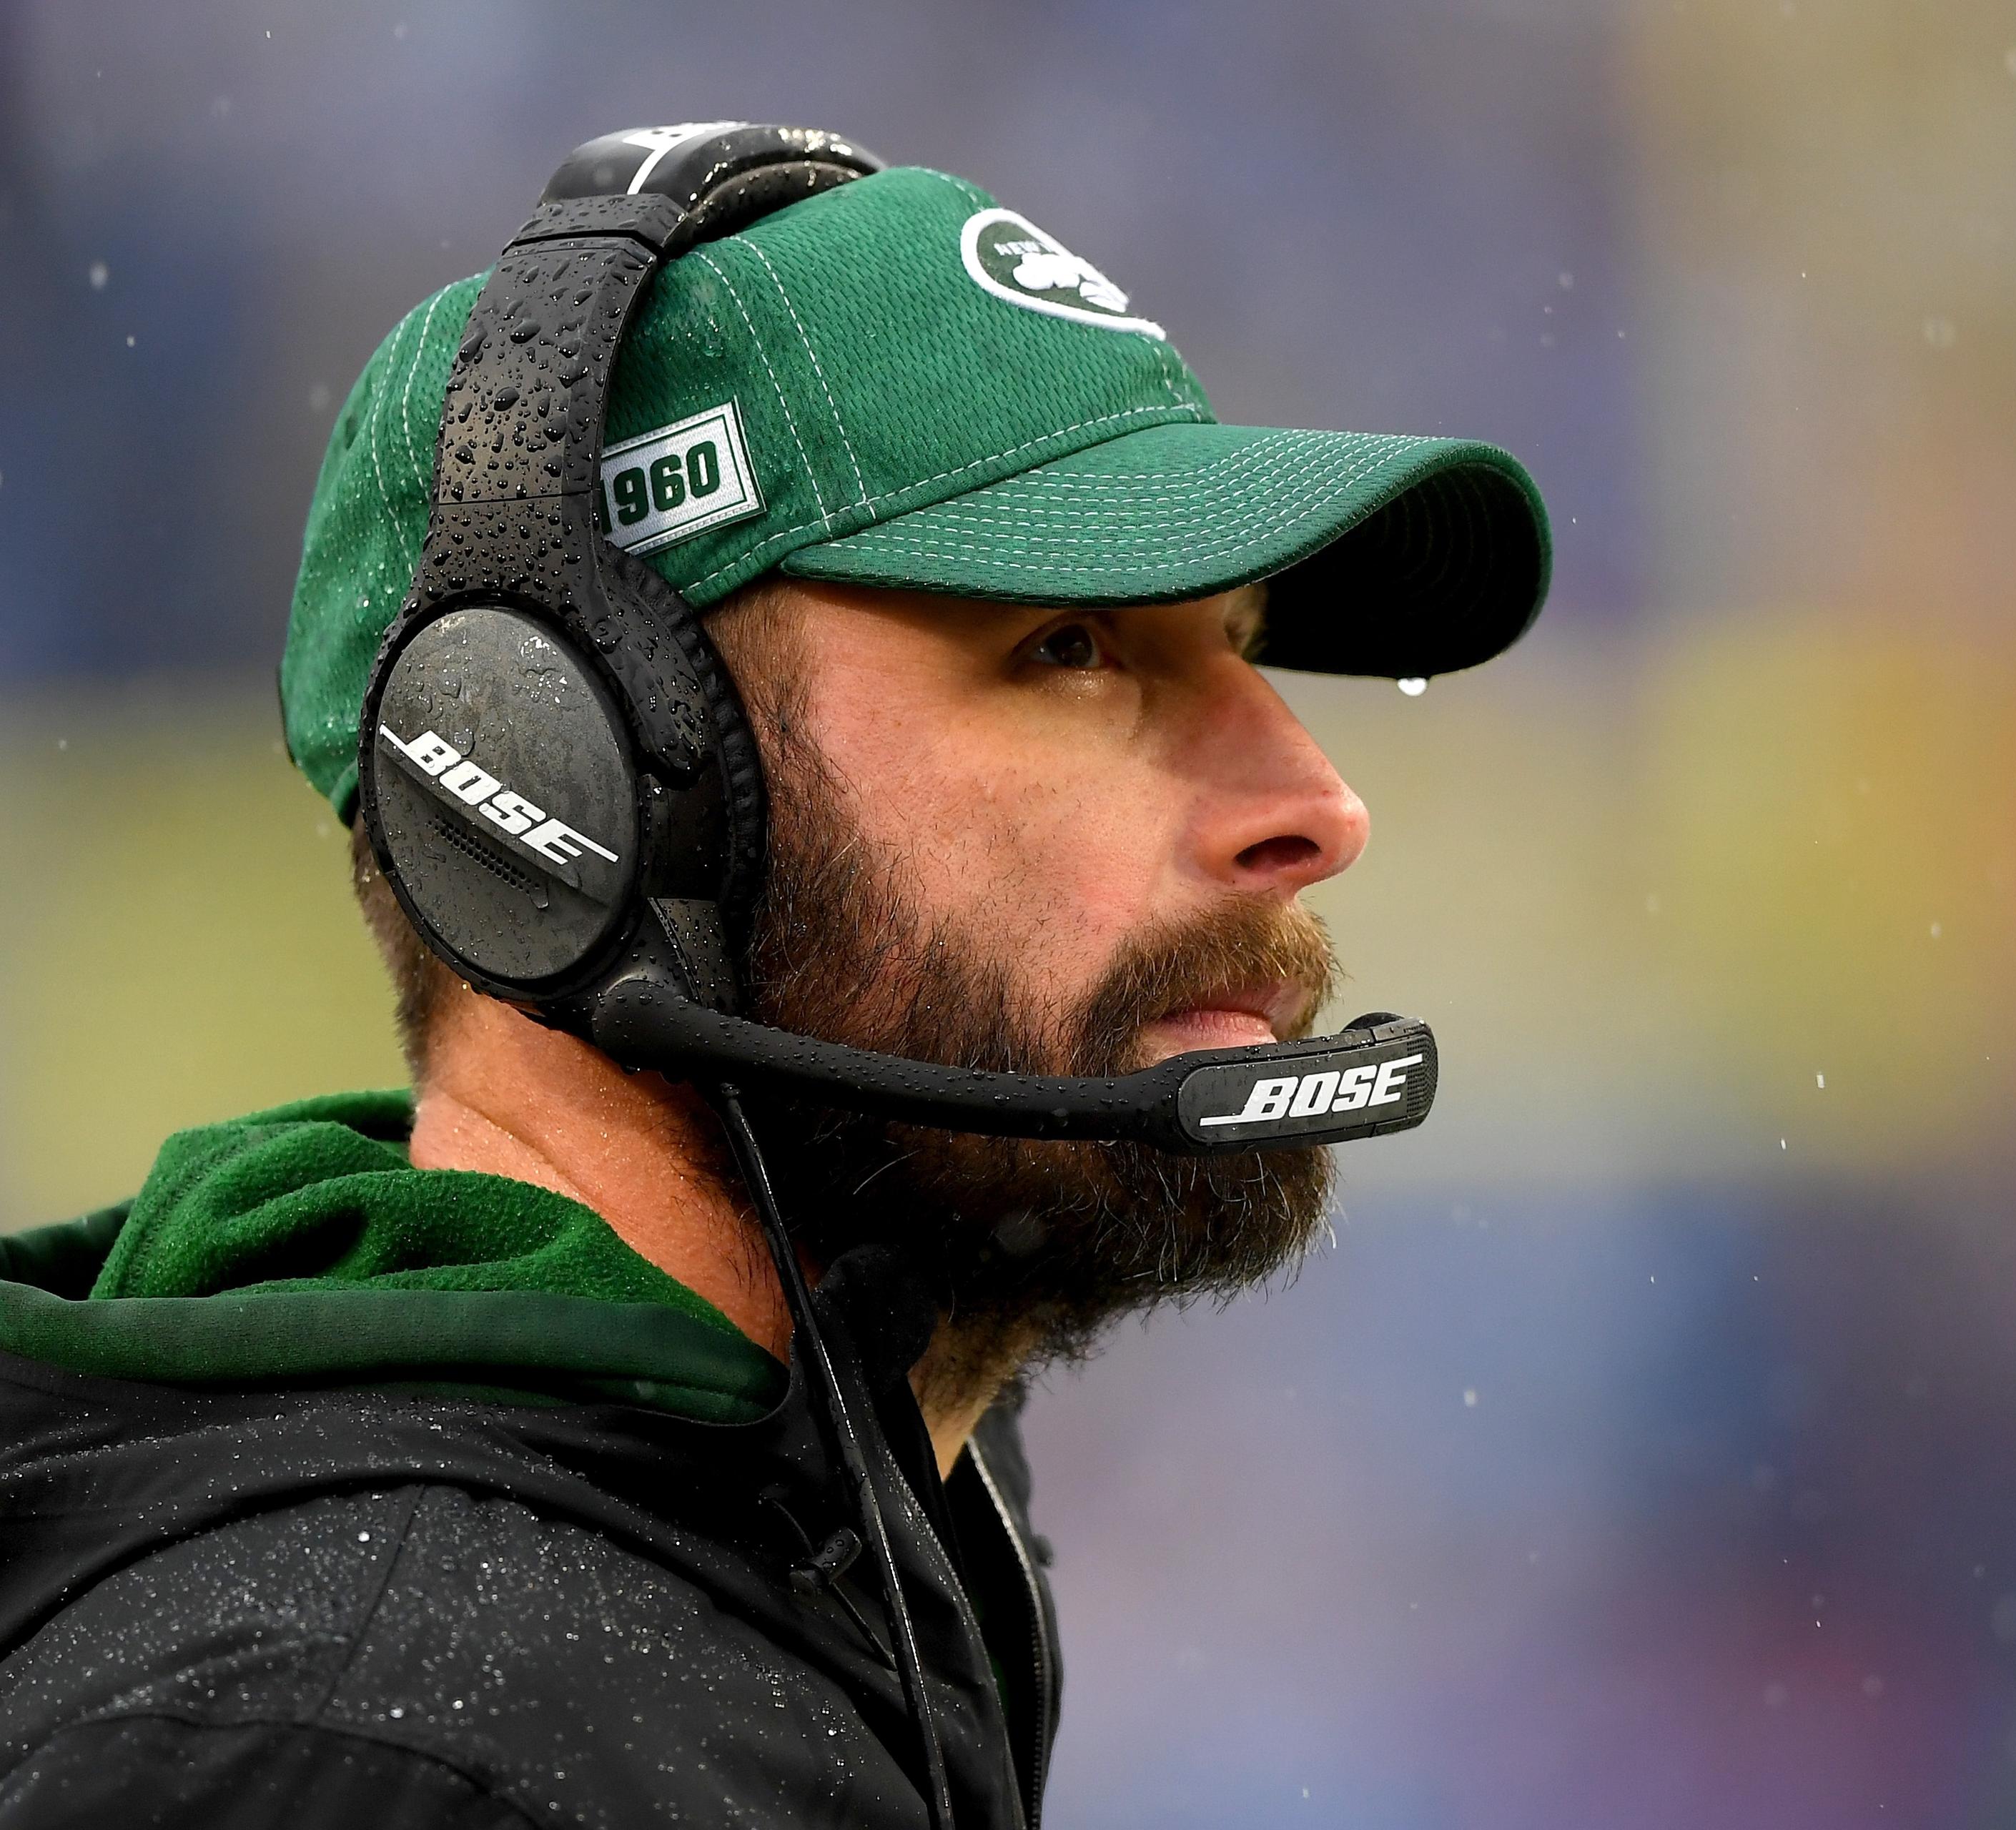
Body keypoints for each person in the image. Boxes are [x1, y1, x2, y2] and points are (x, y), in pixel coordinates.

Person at [0, 137, 1546, 1828]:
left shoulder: (837, 1542)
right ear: (583, 791)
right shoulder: (374, 1744)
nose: (1318, 806)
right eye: (1070, 648)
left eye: (1235, 639)